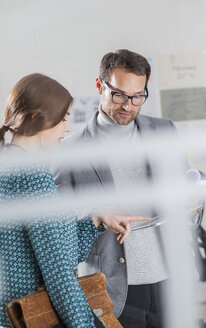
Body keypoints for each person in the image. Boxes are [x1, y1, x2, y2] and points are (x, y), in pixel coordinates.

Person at [0, 73, 149, 328]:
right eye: (64, 119)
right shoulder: (32, 174)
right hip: (38, 317)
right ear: (38, 116)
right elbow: (60, 274)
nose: (67, 128)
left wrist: (96, 218)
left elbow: (55, 251)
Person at [52, 49, 179, 328]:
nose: (128, 105)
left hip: (171, 278)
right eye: (119, 95)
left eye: (137, 97)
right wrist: (95, 210)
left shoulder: (165, 131)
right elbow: (57, 212)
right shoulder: (70, 150)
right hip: (113, 286)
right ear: (100, 86)